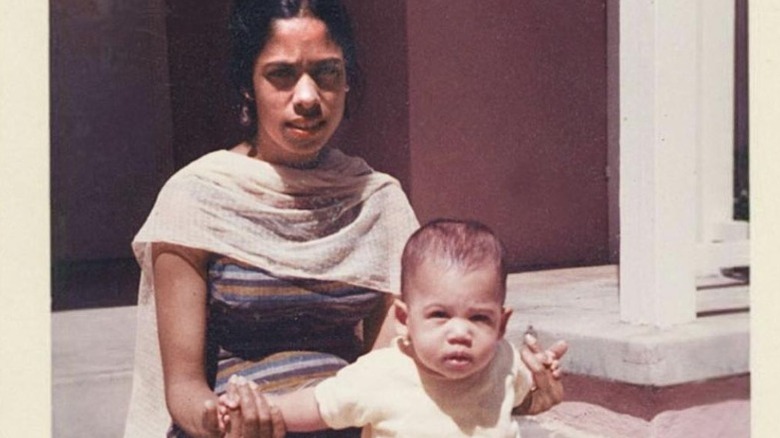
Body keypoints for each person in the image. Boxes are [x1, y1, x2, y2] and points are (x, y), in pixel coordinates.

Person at [122, 1, 566, 437]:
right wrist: (224, 422)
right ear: (247, 84)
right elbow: (182, 387)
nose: (308, 98)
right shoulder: (198, 197)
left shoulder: (376, 200)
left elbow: (404, 361)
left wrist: (521, 391)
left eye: (327, 72)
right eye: (281, 75)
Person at [220, 219, 566, 437]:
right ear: (404, 320)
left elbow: (522, 400)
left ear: (502, 324)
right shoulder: (382, 373)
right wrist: (263, 406)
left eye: (479, 318)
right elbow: (317, 406)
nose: (460, 332)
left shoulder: (504, 362)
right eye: (439, 315)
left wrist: (543, 383)